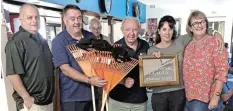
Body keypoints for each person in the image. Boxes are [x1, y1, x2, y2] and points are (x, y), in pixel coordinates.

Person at [148, 15, 224, 111]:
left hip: (178, 92)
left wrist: (215, 33)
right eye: (164, 29)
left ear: (173, 30)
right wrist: (153, 60)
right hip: (159, 94)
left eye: (170, 29)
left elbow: (198, 31)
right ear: (159, 31)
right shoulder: (151, 50)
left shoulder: (181, 41)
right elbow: (149, 77)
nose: (167, 33)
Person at [52, 4, 106, 111]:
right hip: (72, 99)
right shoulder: (58, 41)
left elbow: (100, 60)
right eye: (72, 19)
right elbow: (66, 69)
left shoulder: (91, 37)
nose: (76, 22)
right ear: (65, 20)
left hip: (93, 94)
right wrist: (89, 80)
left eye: (79, 18)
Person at [5, 4, 54, 111]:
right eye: (29, 17)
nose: (34, 20)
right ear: (21, 19)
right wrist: (26, 98)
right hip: (32, 104)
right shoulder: (15, 42)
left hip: (48, 102)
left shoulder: (42, 40)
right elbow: (13, 74)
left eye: (36, 17)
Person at [183, 10, 228, 111]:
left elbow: (222, 71)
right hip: (188, 98)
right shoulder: (188, 46)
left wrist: (216, 97)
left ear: (206, 24)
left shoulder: (215, 42)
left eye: (202, 21)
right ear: (190, 27)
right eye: (195, 23)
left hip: (206, 100)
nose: (199, 25)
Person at [108, 17, 149, 111]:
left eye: (135, 29)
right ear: (122, 30)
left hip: (140, 101)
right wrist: (122, 81)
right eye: (127, 29)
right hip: (118, 101)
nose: (131, 33)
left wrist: (156, 56)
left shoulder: (145, 46)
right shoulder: (114, 48)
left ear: (139, 29)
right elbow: (107, 75)